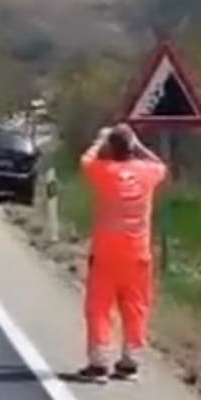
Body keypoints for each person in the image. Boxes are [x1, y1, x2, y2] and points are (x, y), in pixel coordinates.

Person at [77, 123, 172, 382]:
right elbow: (161, 164)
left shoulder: (104, 171)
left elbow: (85, 159)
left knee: (99, 308)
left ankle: (99, 363)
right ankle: (130, 361)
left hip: (106, 255)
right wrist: (138, 143)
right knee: (136, 307)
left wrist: (100, 139)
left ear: (111, 148)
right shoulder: (147, 173)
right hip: (138, 256)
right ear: (131, 148)